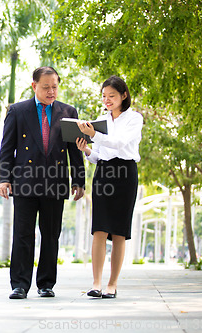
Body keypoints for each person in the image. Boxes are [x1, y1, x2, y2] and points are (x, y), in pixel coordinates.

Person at [0, 66, 86, 299]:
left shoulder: (68, 112)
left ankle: (46, 283)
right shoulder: (17, 111)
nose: (51, 91)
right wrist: (4, 179)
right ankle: (20, 284)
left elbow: (74, 151)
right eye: (46, 87)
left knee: (51, 235)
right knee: (23, 234)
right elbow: (7, 149)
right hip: (25, 181)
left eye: (54, 87)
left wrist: (78, 180)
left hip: (55, 182)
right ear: (34, 85)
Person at [76, 75, 143, 299]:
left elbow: (119, 143)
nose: (107, 100)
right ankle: (96, 283)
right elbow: (99, 156)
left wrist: (94, 134)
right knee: (99, 229)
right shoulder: (100, 120)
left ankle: (112, 285)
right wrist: (86, 149)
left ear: (124, 95)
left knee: (118, 232)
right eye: (104, 96)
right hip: (103, 173)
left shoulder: (134, 119)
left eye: (111, 96)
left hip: (125, 174)